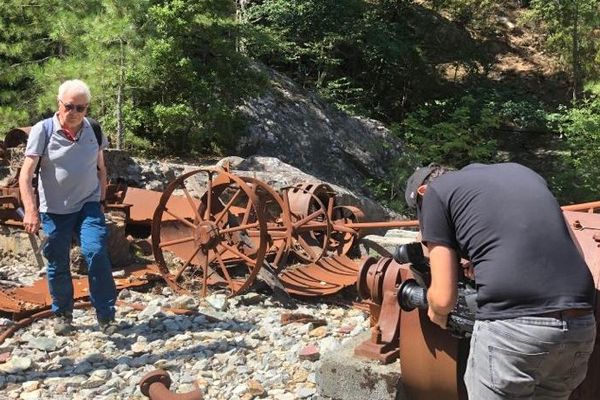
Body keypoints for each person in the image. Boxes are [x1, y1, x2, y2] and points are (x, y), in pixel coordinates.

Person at [404, 162, 596, 399]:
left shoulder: (434, 193)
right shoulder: (524, 173)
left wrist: (436, 311)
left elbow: (443, 299)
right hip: (581, 325)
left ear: (421, 192)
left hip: (514, 331)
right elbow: (577, 254)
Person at [19, 79, 117, 335]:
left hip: (88, 204)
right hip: (54, 209)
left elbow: (101, 168)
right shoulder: (43, 130)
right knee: (57, 261)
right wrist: (31, 210)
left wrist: (101, 200)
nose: (74, 113)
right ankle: (63, 313)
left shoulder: (93, 130)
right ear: (59, 103)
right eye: (70, 106)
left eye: (81, 108)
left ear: (87, 108)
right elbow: (26, 174)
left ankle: (106, 316)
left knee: (96, 252)